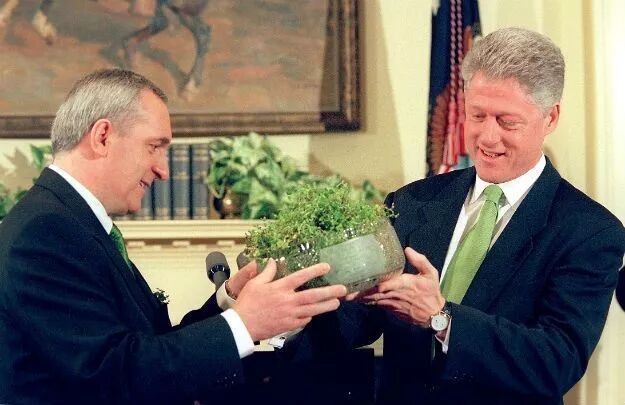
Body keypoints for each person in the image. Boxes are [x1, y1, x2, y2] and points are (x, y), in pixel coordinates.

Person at [289, 27, 625, 404]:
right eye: (477, 115)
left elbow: (555, 362)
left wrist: (441, 318)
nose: (487, 137)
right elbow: (355, 322)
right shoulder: (412, 202)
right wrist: (287, 312)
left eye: (507, 122)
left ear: (551, 118)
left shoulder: (590, 231)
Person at [0, 69, 347, 404]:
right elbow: (113, 376)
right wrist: (244, 323)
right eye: (154, 146)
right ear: (103, 136)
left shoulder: (69, 221)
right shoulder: (44, 232)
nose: (163, 170)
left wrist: (231, 302)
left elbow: (149, 344)